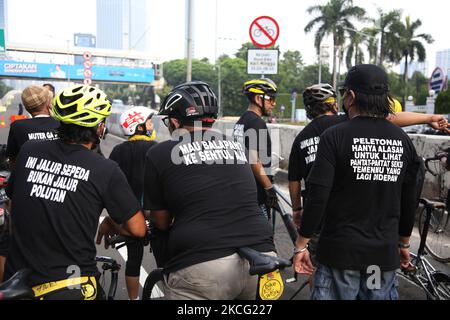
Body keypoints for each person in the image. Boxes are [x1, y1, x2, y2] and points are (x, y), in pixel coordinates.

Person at [3, 85, 146, 300]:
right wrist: (112, 223)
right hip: (71, 286)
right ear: (99, 127)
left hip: (18, 282)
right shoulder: (105, 169)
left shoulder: (28, 150)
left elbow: (14, 207)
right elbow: (138, 229)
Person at [293, 64, 422, 300]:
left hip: (340, 257)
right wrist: (404, 244)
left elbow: (318, 195)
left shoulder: (334, 136)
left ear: (351, 97)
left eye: (344, 94)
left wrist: (301, 244)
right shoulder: (403, 141)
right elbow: (409, 201)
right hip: (380, 261)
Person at [143, 81, 276, 300]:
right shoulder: (238, 147)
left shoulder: (159, 153)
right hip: (263, 257)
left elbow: (162, 222)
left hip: (203, 266)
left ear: (175, 122)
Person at [289, 84, 449, 230]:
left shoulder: (301, 138)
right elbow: (389, 119)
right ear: (333, 104)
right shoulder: (345, 122)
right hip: (352, 215)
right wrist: (429, 118)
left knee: (314, 257)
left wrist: (297, 210)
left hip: (316, 214)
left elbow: (294, 179)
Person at [108, 106, 157, 300]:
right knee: (165, 259)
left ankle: (133, 299)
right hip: (155, 215)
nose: (152, 125)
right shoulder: (156, 148)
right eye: (150, 122)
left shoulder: (117, 151)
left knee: (134, 260)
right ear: (139, 126)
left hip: (130, 216)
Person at [233, 78, 279, 219]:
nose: (274, 104)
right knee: (263, 238)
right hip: (257, 194)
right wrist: (269, 188)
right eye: (271, 99)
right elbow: (254, 161)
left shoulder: (241, 121)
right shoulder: (257, 123)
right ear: (259, 98)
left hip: (243, 191)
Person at [6, 86, 59, 168]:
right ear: (48, 102)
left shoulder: (17, 126)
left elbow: (13, 159)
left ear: (26, 107)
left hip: (26, 177)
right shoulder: (61, 124)